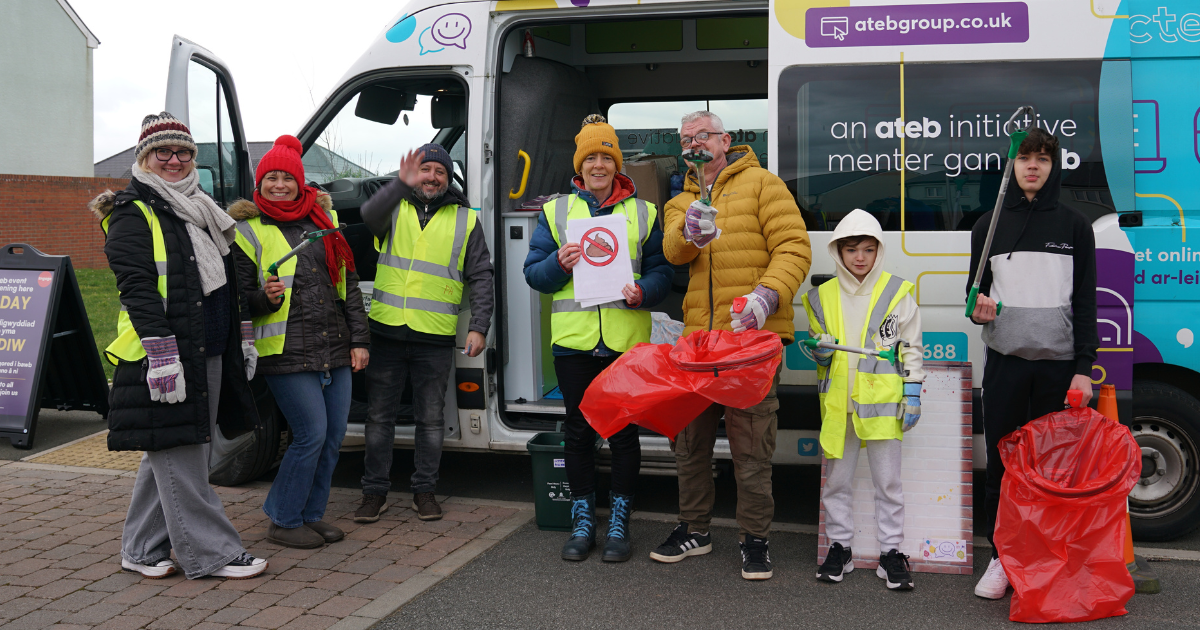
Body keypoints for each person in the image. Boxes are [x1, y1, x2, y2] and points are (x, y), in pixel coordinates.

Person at [91, 112, 267, 580]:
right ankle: (213, 553)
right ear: (145, 159)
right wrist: (162, 356)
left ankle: (141, 549)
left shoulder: (202, 207)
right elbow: (137, 287)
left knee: (168, 449)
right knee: (185, 453)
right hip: (163, 355)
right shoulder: (132, 211)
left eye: (183, 151)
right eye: (162, 152)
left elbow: (229, 284)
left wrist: (242, 334)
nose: (174, 159)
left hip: (208, 346)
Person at [653, 110, 811, 580]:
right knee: (691, 444)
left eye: (702, 135)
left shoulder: (764, 184)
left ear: (725, 140)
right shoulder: (681, 199)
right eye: (685, 139)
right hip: (699, 343)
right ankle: (695, 530)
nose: (693, 144)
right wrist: (689, 233)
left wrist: (767, 295)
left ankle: (755, 540)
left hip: (751, 341)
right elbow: (672, 251)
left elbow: (794, 247)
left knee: (751, 447)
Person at [523, 114, 674, 562]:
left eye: (605, 157)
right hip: (575, 343)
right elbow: (534, 274)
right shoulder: (556, 212)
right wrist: (558, 265)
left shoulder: (643, 211)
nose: (597, 165)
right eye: (589, 157)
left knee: (625, 433)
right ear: (580, 165)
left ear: (616, 164)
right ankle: (583, 519)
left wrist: (645, 290)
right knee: (578, 433)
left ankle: (620, 523)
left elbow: (665, 271)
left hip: (626, 342)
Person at [966, 128, 1098, 599]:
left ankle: (1043, 560)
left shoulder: (1075, 226)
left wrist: (1084, 366)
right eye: (1025, 158)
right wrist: (977, 306)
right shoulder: (988, 225)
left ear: (1054, 166)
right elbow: (974, 294)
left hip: (1059, 369)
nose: (1033, 166)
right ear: (1012, 164)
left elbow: (1085, 303)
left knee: (1052, 469)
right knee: (1003, 464)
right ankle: (1001, 558)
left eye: (1043, 158)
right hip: (1005, 363)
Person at [229, 135, 370, 549]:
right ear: (259, 182)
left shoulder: (324, 223)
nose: (278, 185)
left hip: (335, 346)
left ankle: (310, 514)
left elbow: (349, 286)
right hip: (284, 351)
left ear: (300, 182)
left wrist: (359, 340)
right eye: (270, 177)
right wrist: (261, 298)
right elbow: (234, 296)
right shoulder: (246, 230)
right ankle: (283, 518)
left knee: (331, 437)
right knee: (310, 433)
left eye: (286, 178)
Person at [356, 144, 494, 523]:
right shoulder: (393, 208)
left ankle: (425, 491)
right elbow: (368, 215)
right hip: (385, 331)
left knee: (431, 420)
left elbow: (481, 276)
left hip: (433, 335)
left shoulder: (466, 220)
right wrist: (398, 184)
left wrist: (479, 326)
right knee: (379, 418)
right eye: (426, 169)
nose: (432, 176)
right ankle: (374, 493)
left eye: (440, 172)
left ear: (448, 180)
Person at [801, 209, 925, 590]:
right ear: (838, 251)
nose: (859, 257)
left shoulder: (897, 291)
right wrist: (819, 353)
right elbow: (820, 350)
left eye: (868, 249)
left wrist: (914, 392)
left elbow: (911, 348)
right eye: (851, 249)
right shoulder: (819, 297)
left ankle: (891, 553)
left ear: (878, 252)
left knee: (888, 483)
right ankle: (840, 548)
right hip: (839, 406)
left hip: (884, 404)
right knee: (836, 482)